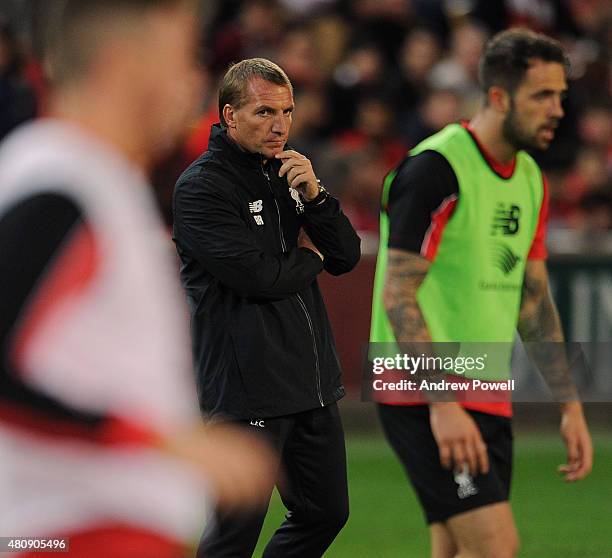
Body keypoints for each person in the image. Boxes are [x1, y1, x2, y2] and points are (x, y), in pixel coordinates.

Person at [0, 1, 275, 556]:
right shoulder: (65, 182)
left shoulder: (89, 180)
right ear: (125, 64)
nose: (196, 82)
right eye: (183, 58)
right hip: (82, 531)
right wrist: (162, 443)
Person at [370, 28, 593, 558]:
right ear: (498, 97)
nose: (557, 109)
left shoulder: (530, 178)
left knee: (457, 548)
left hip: (485, 383)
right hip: (421, 386)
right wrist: (442, 404)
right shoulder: (435, 168)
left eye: (560, 95)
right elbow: (397, 295)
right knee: (495, 547)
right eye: (542, 95)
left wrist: (570, 404)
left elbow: (533, 300)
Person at [173, 57, 361, 557]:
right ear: (230, 115)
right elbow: (257, 278)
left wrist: (317, 198)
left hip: (310, 380)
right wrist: (307, 256)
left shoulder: (291, 173)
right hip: (246, 389)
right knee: (235, 533)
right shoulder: (202, 187)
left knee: (325, 513)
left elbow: (346, 256)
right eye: (264, 112)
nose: (279, 124)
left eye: (287, 110)